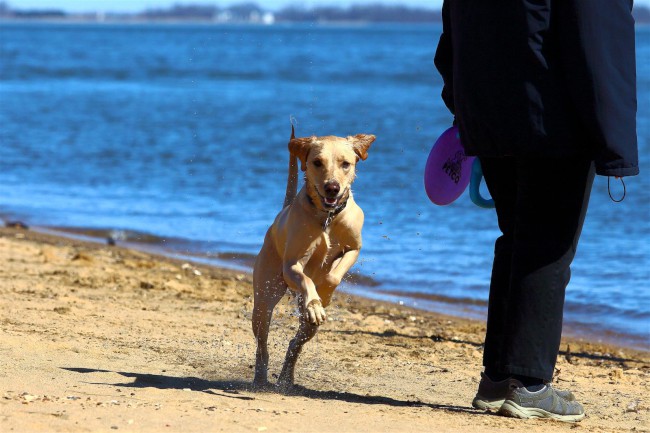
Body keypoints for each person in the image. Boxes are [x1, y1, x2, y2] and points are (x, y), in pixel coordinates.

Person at [434, 0, 639, 422]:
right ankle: (529, 386)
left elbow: (451, 28)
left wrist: (461, 104)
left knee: (517, 240)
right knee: (547, 246)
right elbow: (599, 42)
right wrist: (616, 146)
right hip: (552, 116)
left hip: (487, 108)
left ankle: (498, 379)